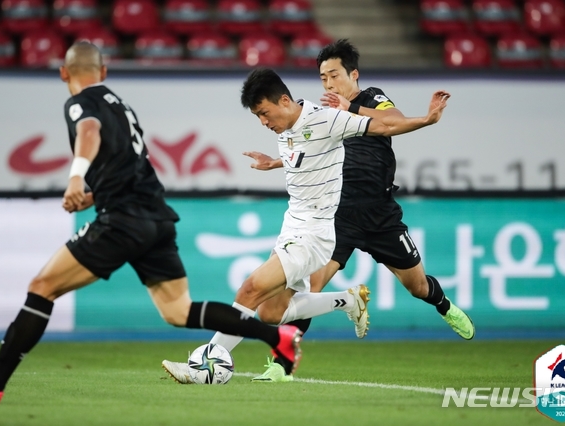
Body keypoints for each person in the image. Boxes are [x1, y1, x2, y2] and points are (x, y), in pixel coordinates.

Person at [0, 42, 304, 405]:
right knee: (178, 311)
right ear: (103, 72)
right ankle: (276, 337)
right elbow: (133, 163)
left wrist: (76, 178)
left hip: (122, 221)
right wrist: (93, 194)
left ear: (63, 74)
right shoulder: (122, 108)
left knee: (42, 287)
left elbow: (89, 132)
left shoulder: (80, 103)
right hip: (156, 217)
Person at [161, 66, 450, 384]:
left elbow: (383, 126)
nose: (264, 122)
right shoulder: (285, 128)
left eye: (265, 113)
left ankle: (205, 364)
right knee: (272, 313)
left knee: (249, 289)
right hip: (291, 228)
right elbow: (303, 155)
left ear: (284, 100)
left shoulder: (326, 119)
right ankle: (348, 300)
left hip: (314, 235)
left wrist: (426, 119)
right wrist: (272, 162)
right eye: (258, 116)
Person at [244, 39, 475, 382]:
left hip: (381, 214)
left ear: (354, 74)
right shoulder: (324, 114)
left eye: (334, 75)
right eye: (323, 78)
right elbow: (308, 151)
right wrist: (276, 162)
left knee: (417, 287)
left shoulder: (370, 99)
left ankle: (444, 306)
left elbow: (392, 120)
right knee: (309, 288)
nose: (328, 84)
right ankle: (282, 364)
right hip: (339, 216)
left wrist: (352, 109)